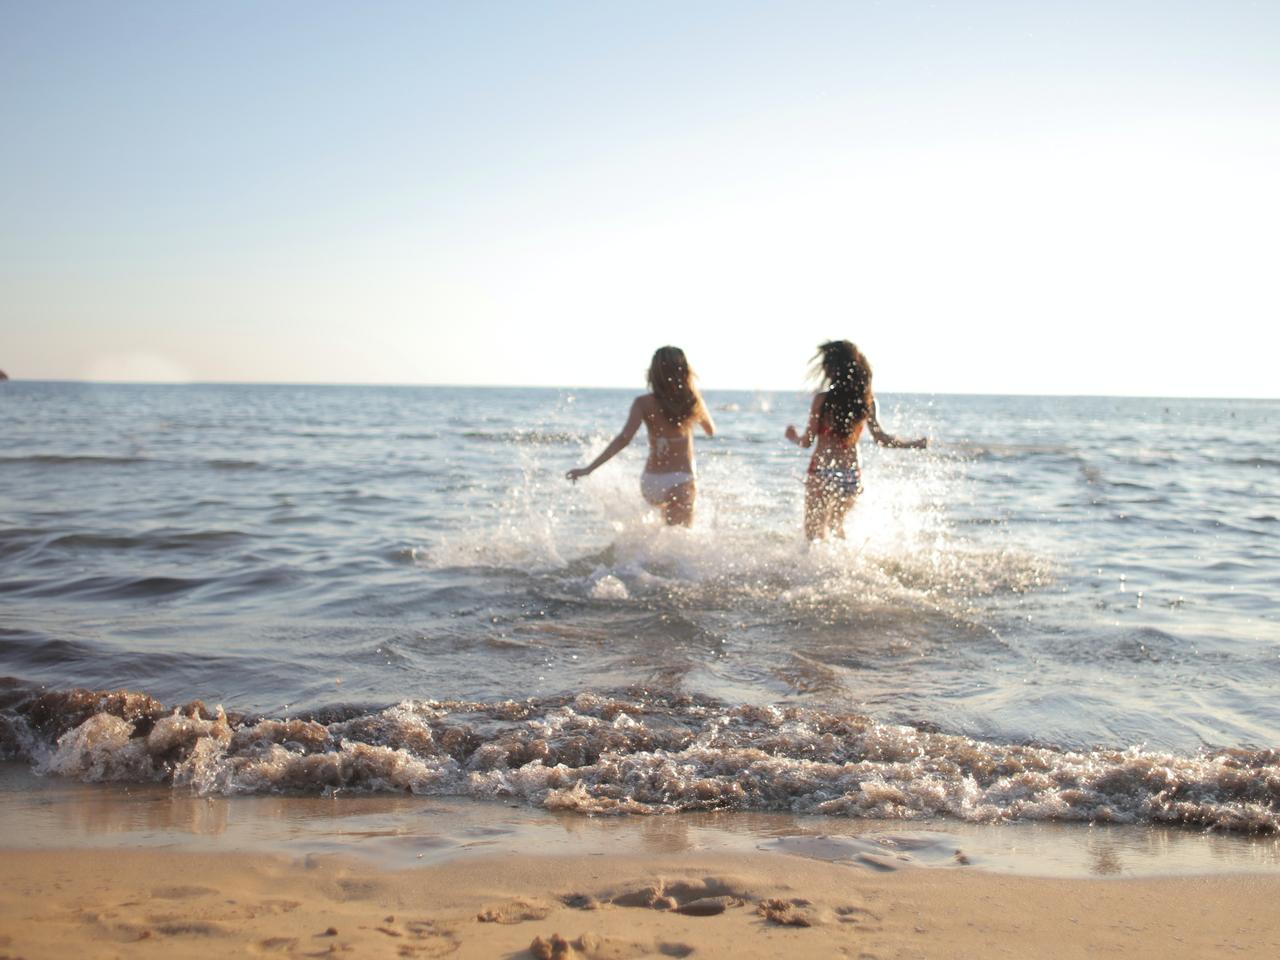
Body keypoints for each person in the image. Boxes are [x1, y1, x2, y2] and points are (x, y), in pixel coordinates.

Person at [785, 340, 927, 541]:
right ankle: (846, 569)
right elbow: (882, 439)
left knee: (814, 534)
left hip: (822, 470)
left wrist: (793, 437)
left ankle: (813, 570)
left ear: (832, 369)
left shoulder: (822, 400)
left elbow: (807, 441)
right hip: (850, 474)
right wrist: (912, 444)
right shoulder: (867, 402)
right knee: (837, 527)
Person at [566, 346, 716, 526]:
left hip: (651, 483)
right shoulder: (692, 401)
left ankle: (642, 553)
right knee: (680, 536)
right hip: (681, 480)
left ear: (653, 373)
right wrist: (694, 396)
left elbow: (624, 439)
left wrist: (589, 469)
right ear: (685, 371)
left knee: (666, 534)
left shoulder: (643, 403)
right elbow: (710, 430)